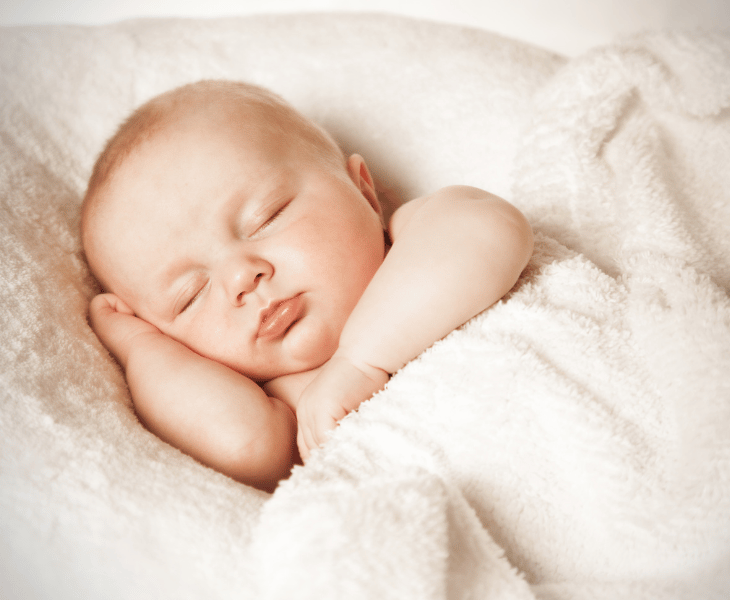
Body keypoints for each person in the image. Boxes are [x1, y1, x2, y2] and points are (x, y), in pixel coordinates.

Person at [81, 80, 534, 492]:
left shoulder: (415, 237)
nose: (242, 277)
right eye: (190, 296)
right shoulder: (284, 408)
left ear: (363, 191)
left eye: (266, 218)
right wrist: (138, 345)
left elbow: (493, 228)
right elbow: (242, 448)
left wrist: (362, 361)